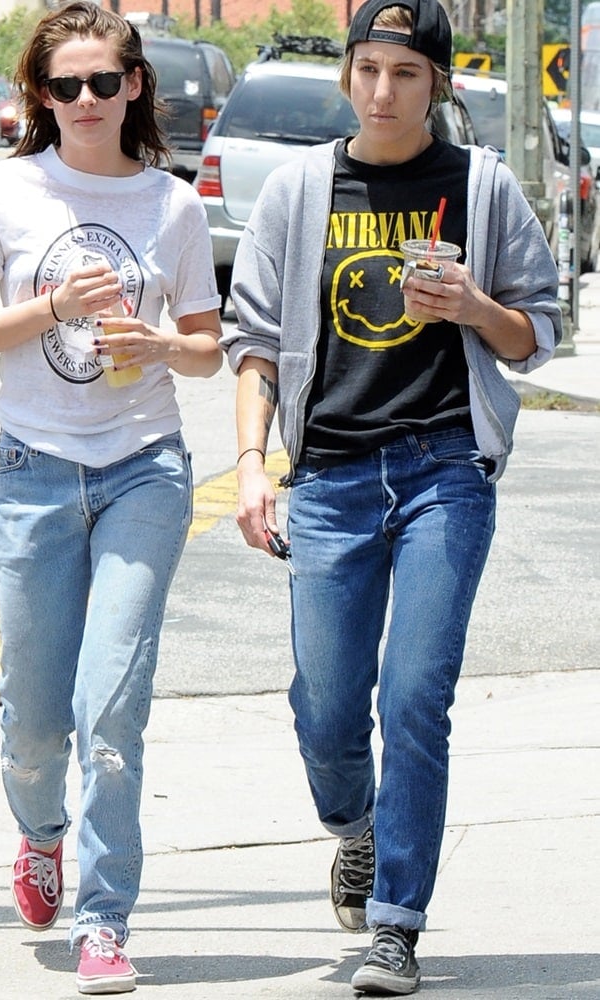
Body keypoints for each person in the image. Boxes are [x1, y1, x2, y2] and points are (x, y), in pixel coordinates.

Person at [223, 0, 561, 994]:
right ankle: (357, 827)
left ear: (438, 85)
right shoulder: (299, 189)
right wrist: (251, 463)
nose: (382, 91)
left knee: (414, 695)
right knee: (328, 709)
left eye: (404, 73)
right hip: (327, 478)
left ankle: (395, 924)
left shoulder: (482, 188)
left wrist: (473, 306)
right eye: (367, 69)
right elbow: (251, 344)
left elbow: (533, 334)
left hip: (442, 471)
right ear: (347, 78)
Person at [0, 2, 222, 994]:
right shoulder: (5, 190)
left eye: (106, 81)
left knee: (111, 711)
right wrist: (51, 306)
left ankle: (103, 921)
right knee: (34, 723)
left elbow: (206, 348)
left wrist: (159, 348)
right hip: (35, 475)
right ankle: (40, 834)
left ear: (135, 86)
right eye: (68, 86)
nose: (88, 101)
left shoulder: (172, 205)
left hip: (144, 469)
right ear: (42, 95)